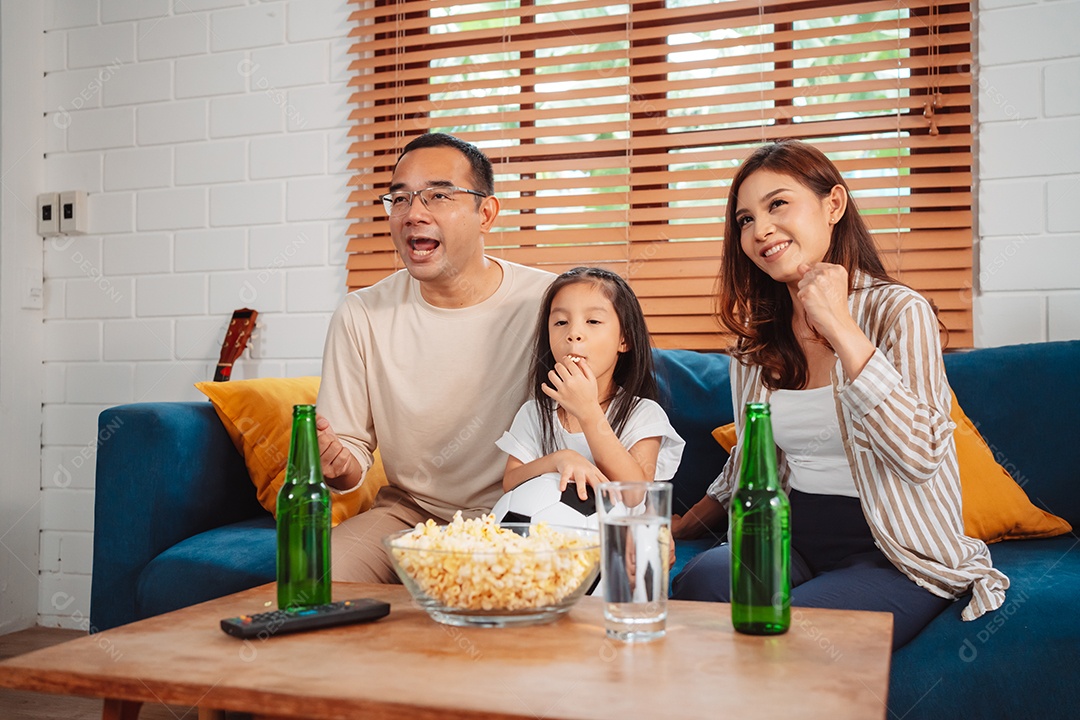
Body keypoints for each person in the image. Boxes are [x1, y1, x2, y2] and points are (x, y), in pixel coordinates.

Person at [670, 139, 1008, 649]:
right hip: (791, 534)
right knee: (700, 584)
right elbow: (750, 459)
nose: (760, 230)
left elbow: (922, 455)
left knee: (795, 636)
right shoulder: (755, 342)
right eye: (744, 219)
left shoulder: (899, 312)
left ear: (834, 205)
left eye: (778, 204)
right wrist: (680, 526)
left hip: (894, 550)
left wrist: (841, 326)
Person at [316, 133, 554, 583]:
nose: (413, 214)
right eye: (400, 198)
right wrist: (337, 463)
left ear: (486, 213)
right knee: (322, 574)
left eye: (439, 195)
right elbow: (347, 459)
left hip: (520, 510)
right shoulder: (362, 313)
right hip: (409, 514)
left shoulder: (549, 302)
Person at [495, 267, 685, 509]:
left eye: (593, 321)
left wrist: (588, 412)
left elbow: (635, 493)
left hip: (614, 543)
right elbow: (511, 482)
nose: (573, 334)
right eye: (561, 322)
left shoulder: (644, 413)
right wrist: (560, 459)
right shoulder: (535, 412)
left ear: (623, 339)